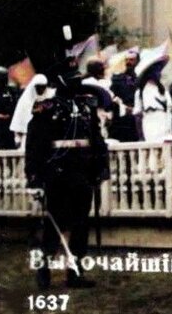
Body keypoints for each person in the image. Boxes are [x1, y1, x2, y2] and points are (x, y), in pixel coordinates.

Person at [25, 51, 109, 289]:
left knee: (81, 225)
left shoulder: (86, 106)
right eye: (70, 76)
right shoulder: (46, 108)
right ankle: (44, 269)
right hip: (57, 174)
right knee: (54, 225)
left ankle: (75, 273)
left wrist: (100, 168)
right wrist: (34, 176)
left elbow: (97, 140)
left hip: (82, 173)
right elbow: (34, 145)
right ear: (60, 79)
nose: (76, 81)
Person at [133, 46, 172, 142]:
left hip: (164, 120)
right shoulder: (140, 92)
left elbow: (170, 107)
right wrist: (141, 136)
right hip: (150, 121)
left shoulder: (162, 89)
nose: (158, 73)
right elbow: (137, 115)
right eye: (156, 70)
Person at [109, 49, 140, 142]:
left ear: (137, 61)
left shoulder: (140, 78)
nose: (128, 62)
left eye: (131, 60)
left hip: (137, 115)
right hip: (122, 117)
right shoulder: (117, 78)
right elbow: (112, 95)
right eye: (127, 60)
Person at [0, 66, 18, 149]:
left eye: (5, 76)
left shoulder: (11, 91)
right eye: (1, 76)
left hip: (8, 125)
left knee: (10, 148)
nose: (4, 79)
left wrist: (9, 115)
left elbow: (15, 105)